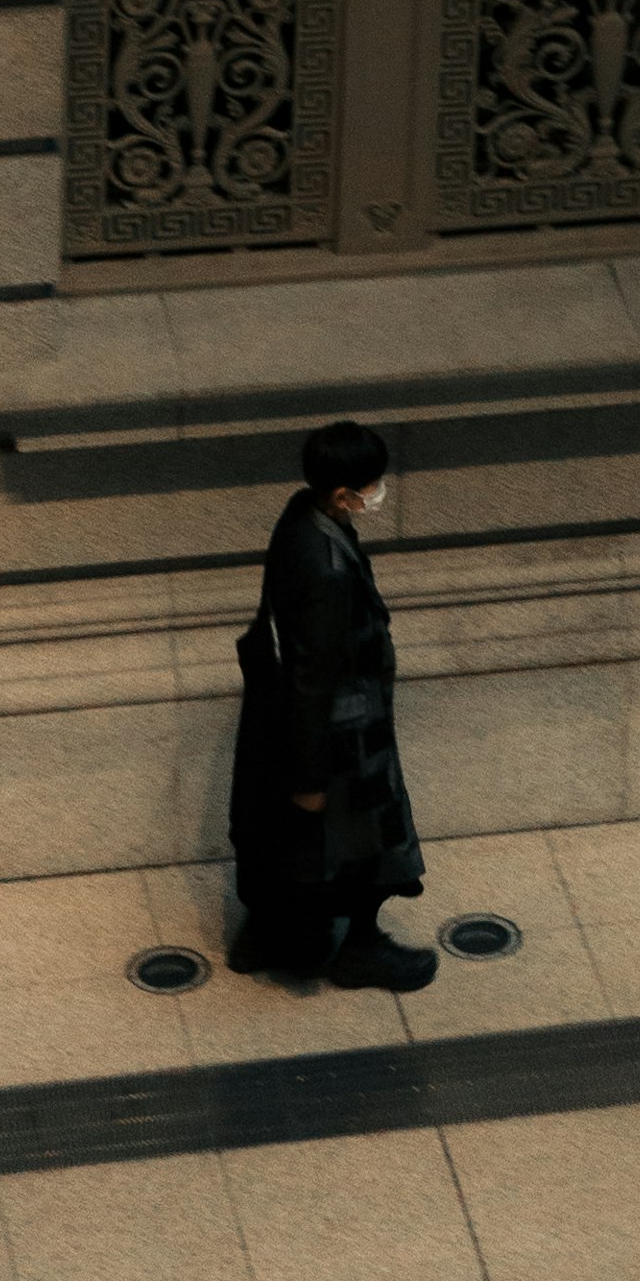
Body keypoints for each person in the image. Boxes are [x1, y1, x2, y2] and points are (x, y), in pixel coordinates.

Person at [226, 418, 436, 991]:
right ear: (343, 495)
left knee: (293, 838)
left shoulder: (301, 515)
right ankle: (361, 948)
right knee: (363, 842)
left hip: (316, 723)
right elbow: (314, 678)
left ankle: (269, 933)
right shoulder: (328, 567)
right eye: (370, 487)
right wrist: (310, 772)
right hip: (343, 732)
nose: (377, 494)